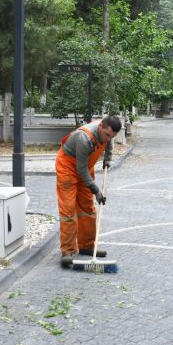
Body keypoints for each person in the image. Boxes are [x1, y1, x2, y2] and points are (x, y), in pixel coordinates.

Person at [55, 115, 122, 268]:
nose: (108, 139)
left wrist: (108, 158)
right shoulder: (84, 138)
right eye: (106, 135)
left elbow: (108, 144)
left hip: (85, 168)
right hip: (68, 169)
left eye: (111, 136)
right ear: (101, 126)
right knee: (68, 210)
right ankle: (68, 251)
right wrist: (96, 190)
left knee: (87, 209)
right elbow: (80, 169)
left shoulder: (107, 134)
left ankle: (87, 246)